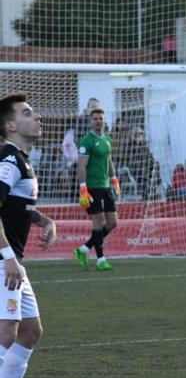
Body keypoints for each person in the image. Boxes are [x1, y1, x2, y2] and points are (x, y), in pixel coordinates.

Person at [0, 93, 58, 378]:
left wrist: (44, 220)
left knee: (30, 331)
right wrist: (7, 256)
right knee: (7, 331)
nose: (37, 118)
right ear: (11, 126)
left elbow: (16, 208)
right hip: (3, 260)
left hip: (11, 261)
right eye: (27, 113)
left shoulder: (21, 159)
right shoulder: (9, 160)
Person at [73, 108, 120, 272]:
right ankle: (101, 260)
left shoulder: (107, 139)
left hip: (106, 186)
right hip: (92, 187)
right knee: (98, 222)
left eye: (101, 118)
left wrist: (114, 179)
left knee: (113, 222)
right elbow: (81, 166)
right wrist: (83, 188)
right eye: (95, 119)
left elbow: (109, 160)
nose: (99, 121)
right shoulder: (86, 141)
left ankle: (84, 249)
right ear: (90, 121)